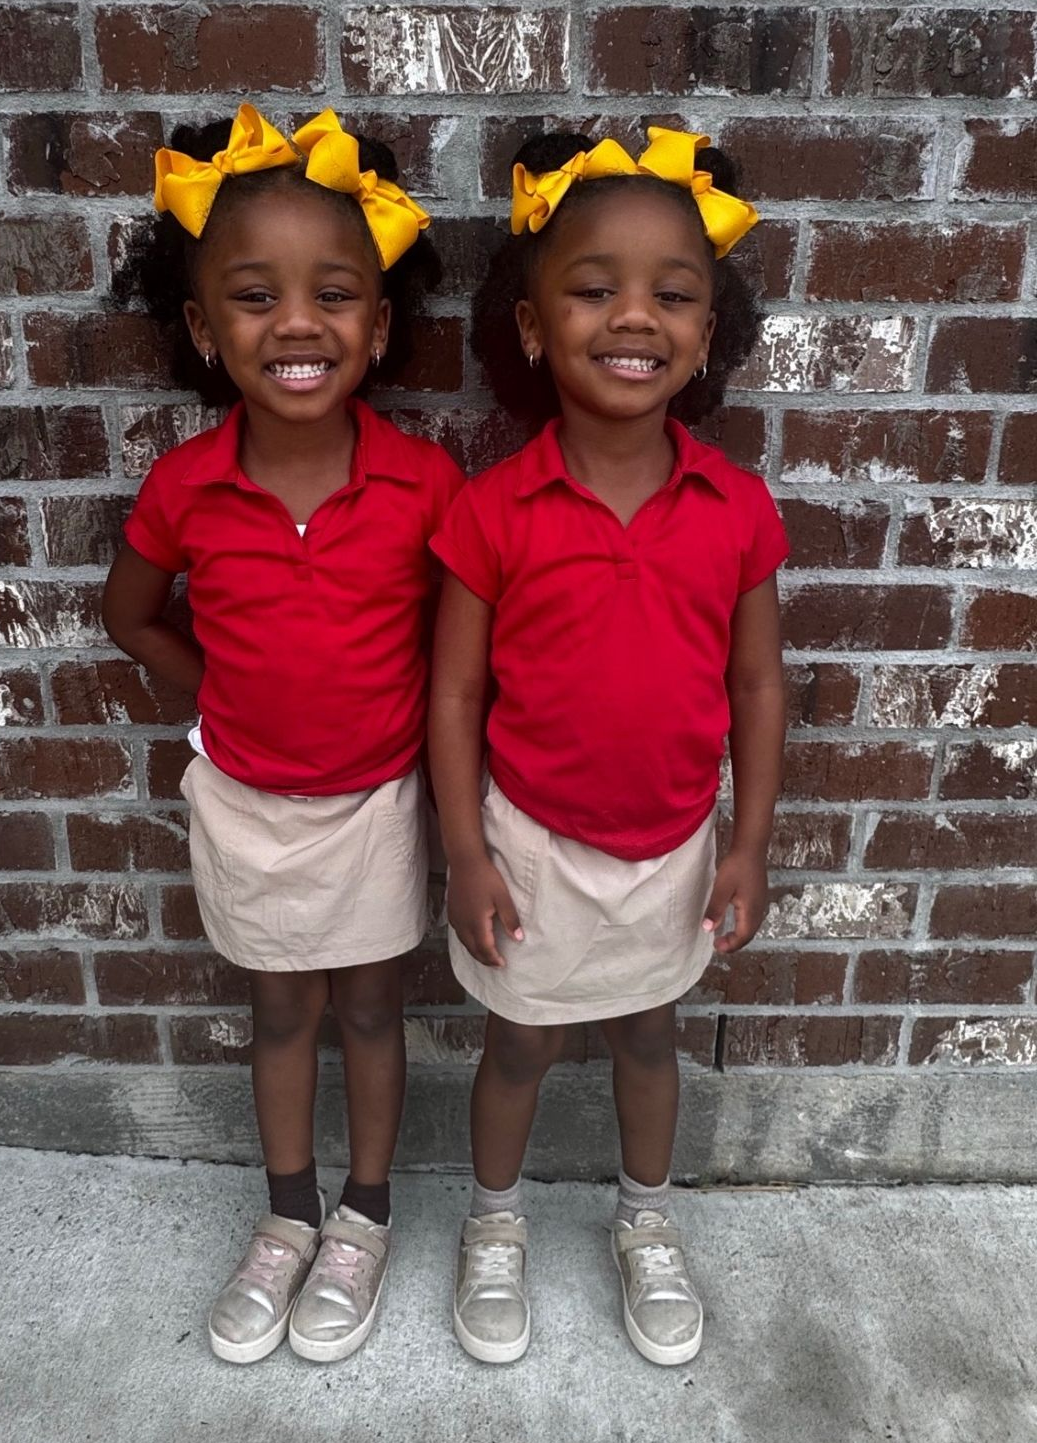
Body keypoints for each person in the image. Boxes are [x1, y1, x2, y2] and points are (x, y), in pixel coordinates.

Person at [102, 104, 462, 1365]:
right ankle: (288, 1214)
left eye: (333, 294)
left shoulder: (425, 484)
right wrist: (213, 698)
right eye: (254, 298)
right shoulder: (186, 486)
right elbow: (131, 614)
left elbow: (466, 644)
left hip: (375, 803)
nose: (296, 324)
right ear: (204, 329)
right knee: (278, 1018)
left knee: (371, 1011)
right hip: (248, 804)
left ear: (379, 321)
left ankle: (364, 1217)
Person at [429, 128, 787, 1366]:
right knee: (520, 1042)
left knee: (649, 1034)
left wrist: (746, 843)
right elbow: (457, 695)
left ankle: (646, 1221)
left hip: (677, 840)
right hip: (531, 839)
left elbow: (756, 681)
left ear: (706, 330)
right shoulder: (493, 510)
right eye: (593, 288)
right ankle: (493, 1223)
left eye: (672, 294)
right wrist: (466, 853)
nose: (634, 315)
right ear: (532, 328)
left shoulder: (735, 507)